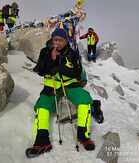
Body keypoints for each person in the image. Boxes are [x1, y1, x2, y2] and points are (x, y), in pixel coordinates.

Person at [26, 28, 95, 158]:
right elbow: (39, 69)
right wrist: (51, 61)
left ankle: (83, 135)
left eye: (60, 40)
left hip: (70, 85)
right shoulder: (45, 51)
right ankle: (42, 141)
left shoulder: (72, 53)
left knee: (85, 100)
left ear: (65, 41)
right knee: (42, 106)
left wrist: (61, 66)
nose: (57, 42)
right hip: (51, 86)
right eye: (55, 39)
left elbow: (76, 72)